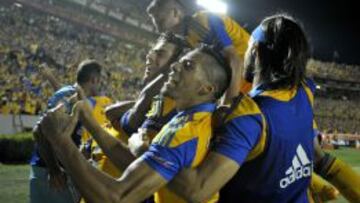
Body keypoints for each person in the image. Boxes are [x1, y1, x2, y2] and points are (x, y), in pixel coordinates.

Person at [37, 46, 231, 203]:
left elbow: (118, 197)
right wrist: (90, 122)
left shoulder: (185, 131)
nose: (175, 67)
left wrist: (60, 141)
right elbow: (137, 166)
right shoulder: (194, 119)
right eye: (179, 62)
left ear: (206, 89)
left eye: (188, 66)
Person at [29, 59, 105, 203]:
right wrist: (54, 169)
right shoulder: (70, 95)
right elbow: (39, 130)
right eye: (100, 81)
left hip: (51, 170)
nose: (100, 86)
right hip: (53, 173)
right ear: (94, 79)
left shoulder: (73, 94)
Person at [146, 0, 251, 102]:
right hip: (239, 74)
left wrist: (228, 103)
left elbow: (235, 60)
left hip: (249, 70)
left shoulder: (204, 22)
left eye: (160, 20)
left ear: (175, 13)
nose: (156, 25)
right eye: (153, 20)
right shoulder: (187, 36)